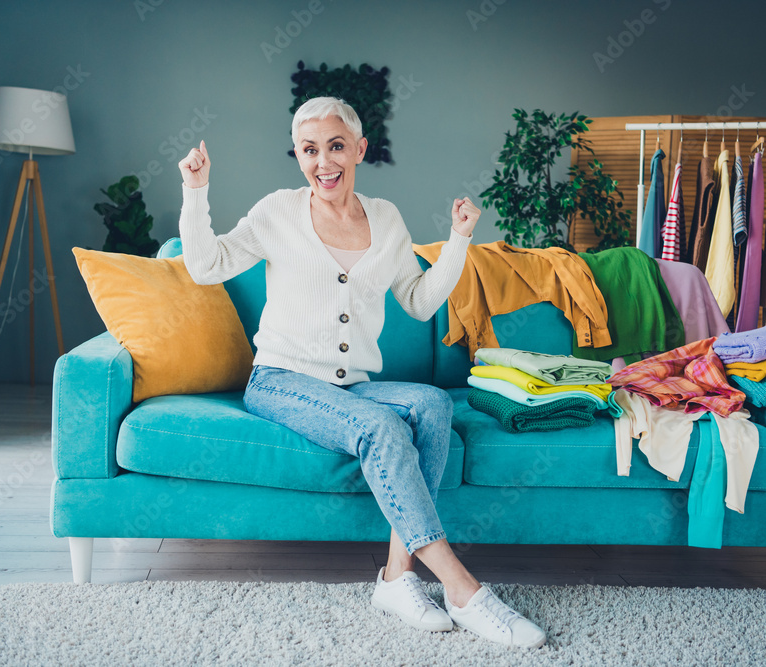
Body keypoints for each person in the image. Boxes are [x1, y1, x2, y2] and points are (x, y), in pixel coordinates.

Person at [177, 97, 546, 648]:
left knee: (432, 405)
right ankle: (464, 590)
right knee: (381, 427)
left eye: (335, 146)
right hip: (280, 380)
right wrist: (196, 190)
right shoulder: (277, 211)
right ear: (298, 156)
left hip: (350, 384)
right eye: (309, 150)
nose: (323, 161)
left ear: (359, 149)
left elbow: (420, 302)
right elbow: (206, 265)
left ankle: (397, 579)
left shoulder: (388, 219)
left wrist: (460, 241)